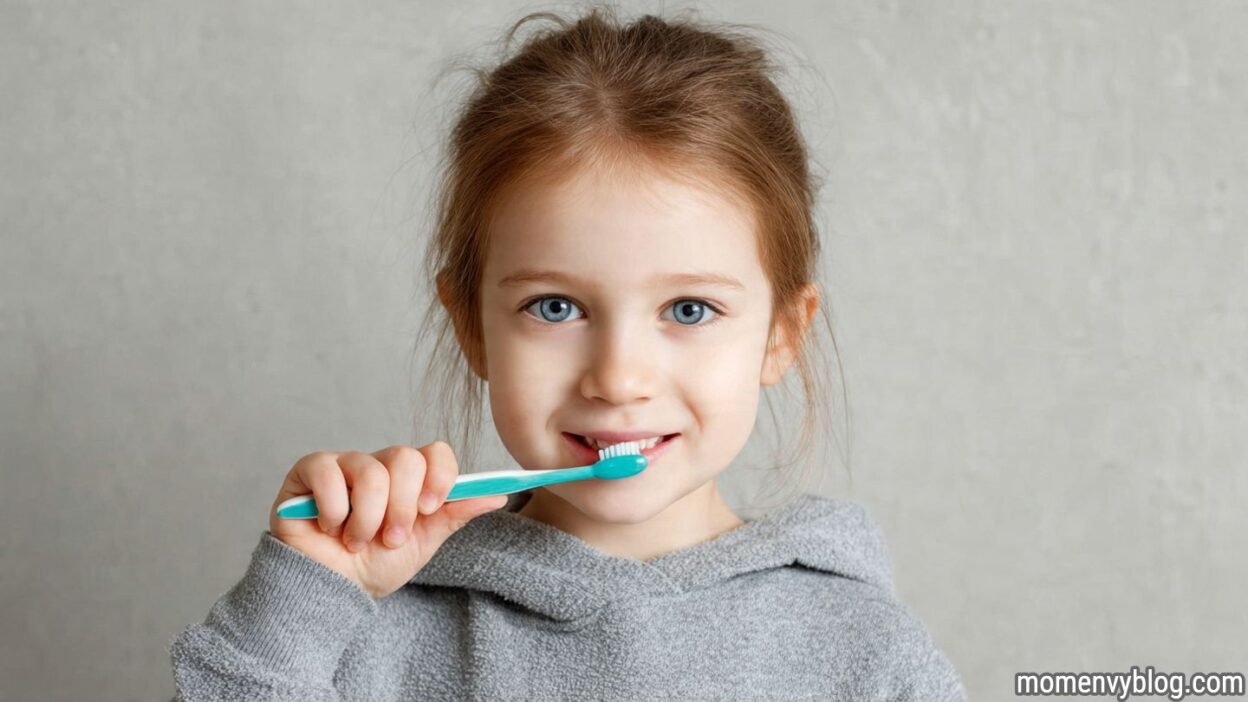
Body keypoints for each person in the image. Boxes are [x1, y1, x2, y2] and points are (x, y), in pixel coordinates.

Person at [170, 6, 966, 700]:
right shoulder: (369, 633)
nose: (618, 378)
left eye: (689, 309)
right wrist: (299, 607)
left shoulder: (867, 657)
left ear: (781, 335)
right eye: (555, 307)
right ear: (472, 326)